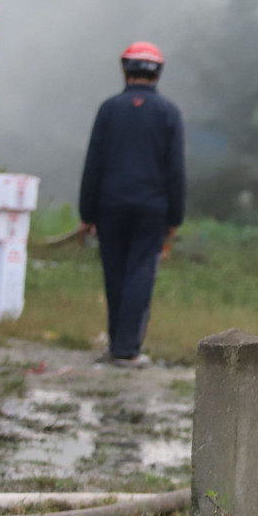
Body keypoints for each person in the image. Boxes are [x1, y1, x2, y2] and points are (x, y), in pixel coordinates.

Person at [78, 41, 185, 368]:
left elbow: (93, 163)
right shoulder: (169, 113)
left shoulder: (109, 109)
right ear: (159, 73)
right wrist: (174, 217)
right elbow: (175, 169)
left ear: (125, 69)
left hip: (110, 207)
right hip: (152, 210)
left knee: (115, 273)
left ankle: (116, 346)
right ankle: (127, 349)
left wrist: (87, 213)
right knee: (140, 273)